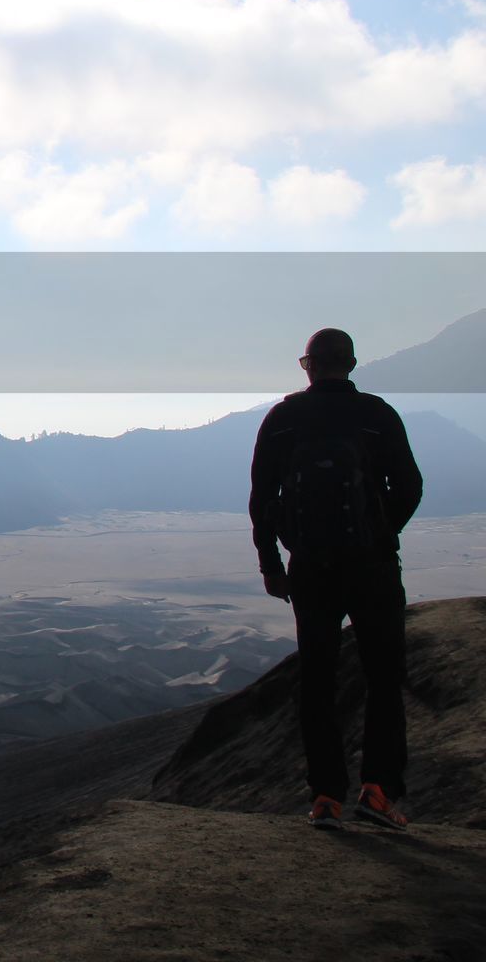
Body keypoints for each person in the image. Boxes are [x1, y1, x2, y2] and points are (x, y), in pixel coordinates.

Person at [249, 328, 423, 831]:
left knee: (318, 682)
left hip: (310, 570)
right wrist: (378, 533)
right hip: (372, 569)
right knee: (384, 679)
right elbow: (409, 486)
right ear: (350, 364)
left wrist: (272, 564)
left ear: (307, 366)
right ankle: (379, 792)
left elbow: (261, 499)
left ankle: (326, 796)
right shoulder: (376, 414)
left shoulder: (283, 419)